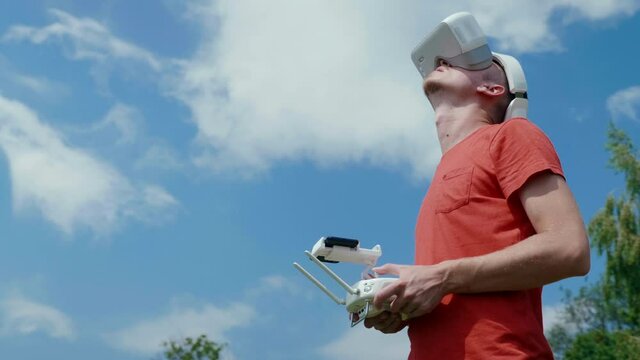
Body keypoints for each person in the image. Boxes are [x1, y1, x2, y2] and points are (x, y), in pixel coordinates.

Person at [363, 57, 591, 359]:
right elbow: (447, 290)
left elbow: (569, 249)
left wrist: (441, 277)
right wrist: (402, 305)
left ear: (493, 87)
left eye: (465, 61)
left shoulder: (513, 134)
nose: (442, 60)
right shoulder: (441, 175)